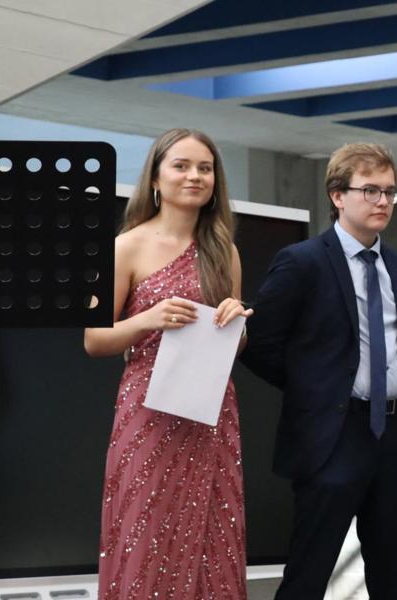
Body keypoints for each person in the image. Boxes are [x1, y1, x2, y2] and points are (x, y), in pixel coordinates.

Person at [241, 142, 397, 600]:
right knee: (308, 575)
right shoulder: (302, 261)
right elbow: (258, 344)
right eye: (370, 190)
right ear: (338, 195)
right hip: (333, 436)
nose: (383, 201)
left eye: (390, 192)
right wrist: (317, 388)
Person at [84, 128, 253, 600]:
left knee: (214, 535)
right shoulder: (126, 246)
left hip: (211, 410)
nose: (194, 176)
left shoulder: (224, 251)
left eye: (205, 168)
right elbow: (94, 339)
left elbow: (234, 345)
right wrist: (149, 319)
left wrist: (236, 323)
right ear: (156, 178)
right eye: (181, 165)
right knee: (145, 529)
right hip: (148, 410)